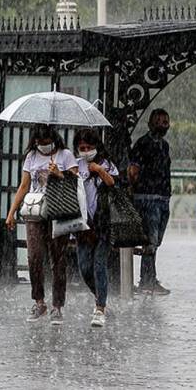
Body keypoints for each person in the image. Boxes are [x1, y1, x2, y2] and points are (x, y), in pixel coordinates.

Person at [5, 124, 78, 325]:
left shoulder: (65, 156)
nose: (42, 146)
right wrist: (12, 212)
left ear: (53, 139)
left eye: (46, 143)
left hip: (58, 211)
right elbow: (24, 185)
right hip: (35, 212)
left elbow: (76, 182)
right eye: (39, 143)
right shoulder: (31, 157)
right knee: (34, 256)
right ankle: (39, 301)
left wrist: (59, 174)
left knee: (58, 259)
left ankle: (57, 305)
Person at [74, 129, 118, 327]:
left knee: (99, 264)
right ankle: (101, 295)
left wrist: (99, 170)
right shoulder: (75, 165)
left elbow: (113, 183)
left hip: (103, 224)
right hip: (83, 225)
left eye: (89, 147)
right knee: (84, 267)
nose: (85, 151)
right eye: (82, 148)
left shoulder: (106, 164)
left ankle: (100, 307)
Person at [127, 108, 172, 295]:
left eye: (166, 121)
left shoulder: (164, 145)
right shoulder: (142, 144)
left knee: (156, 240)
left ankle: (149, 278)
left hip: (162, 198)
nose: (163, 125)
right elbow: (133, 171)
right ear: (150, 124)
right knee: (150, 240)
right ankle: (147, 280)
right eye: (159, 121)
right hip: (147, 198)